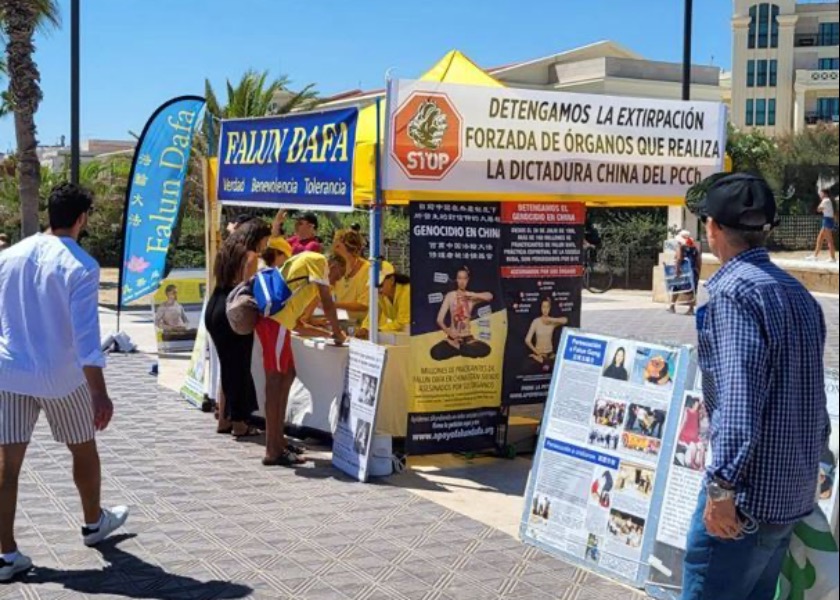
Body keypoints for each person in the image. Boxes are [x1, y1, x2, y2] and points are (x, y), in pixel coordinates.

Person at [682, 173, 829, 600]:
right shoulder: (797, 293)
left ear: (712, 228)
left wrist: (721, 487)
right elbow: (815, 402)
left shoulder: (731, 293)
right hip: (790, 493)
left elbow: (738, 402)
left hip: (745, 500)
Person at [0, 183, 129, 583]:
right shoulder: (82, 265)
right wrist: (100, 392)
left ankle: (5, 553)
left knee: (7, 462)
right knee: (83, 449)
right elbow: (87, 338)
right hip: (61, 376)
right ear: (82, 218)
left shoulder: (8, 256)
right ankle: (93, 523)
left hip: (10, 371)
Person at [258, 251, 345, 467]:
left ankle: (279, 441)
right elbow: (327, 302)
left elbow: (298, 323)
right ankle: (272, 449)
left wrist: (328, 334)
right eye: (337, 274)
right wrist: (337, 331)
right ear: (332, 264)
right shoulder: (318, 261)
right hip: (276, 323)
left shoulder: (304, 268)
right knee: (276, 382)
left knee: (287, 375)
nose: (336, 281)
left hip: (279, 324)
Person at [205, 218, 270, 438]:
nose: (265, 245)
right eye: (265, 240)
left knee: (227, 366)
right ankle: (240, 424)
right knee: (240, 368)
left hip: (215, 306)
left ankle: (224, 419)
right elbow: (246, 289)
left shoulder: (226, 250)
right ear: (258, 237)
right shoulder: (250, 257)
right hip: (234, 312)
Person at [430, 267, 494, 361]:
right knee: (435, 352)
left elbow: (490, 296)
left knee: (486, 350)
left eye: (464, 278)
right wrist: (449, 333)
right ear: (456, 279)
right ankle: (461, 349)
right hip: (452, 339)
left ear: (468, 280)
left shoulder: (471, 296)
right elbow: (439, 320)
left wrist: (473, 295)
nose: (462, 281)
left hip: (468, 339)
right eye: (459, 278)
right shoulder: (450, 295)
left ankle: (458, 349)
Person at [357, 262, 411, 339]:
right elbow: (372, 315)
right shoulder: (380, 294)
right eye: (375, 286)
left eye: (380, 285)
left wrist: (378, 330)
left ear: (392, 280)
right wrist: (365, 328)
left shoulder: (407, 291)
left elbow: (403, 322)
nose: (378, 290)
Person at [332, 229, 370, 326]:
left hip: (364, 326)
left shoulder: (368, 270)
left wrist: (332, 305)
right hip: (342, 321)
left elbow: (364, 305)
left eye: (338, 246)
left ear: (350, 249)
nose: (333, 249)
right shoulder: (335, 268)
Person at [524, 298, 567, 373]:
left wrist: (551, 319)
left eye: (547, 307)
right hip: (539, 354)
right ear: (540, 308)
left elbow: (565, 320)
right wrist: (537, 352)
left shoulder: (552, 322)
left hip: (550, 354)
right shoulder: (536, 321)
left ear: (550, 308)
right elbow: (527, 340)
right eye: (543, 307)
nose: (545, 309)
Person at [668, 230, 702, 315]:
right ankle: (691, 309)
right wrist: (698, 270)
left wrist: (677, 269)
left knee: (676, 287)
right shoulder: (694, 247)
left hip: (683, 270)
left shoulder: (681, 247)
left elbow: (679, 258)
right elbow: (698, 260)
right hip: (693, 270)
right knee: (692, 290)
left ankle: (672, 306)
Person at [807, 187, 837, 262]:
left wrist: (820, 203)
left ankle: (832, 258)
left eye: (821, 193)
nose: (820, 194)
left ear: (825, 193)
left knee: (829, 240)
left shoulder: (825, 200)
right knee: (820, 238)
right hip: (827, 219)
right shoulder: (827, 200)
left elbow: (818, 209)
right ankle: (815, 256)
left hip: (827, 220)